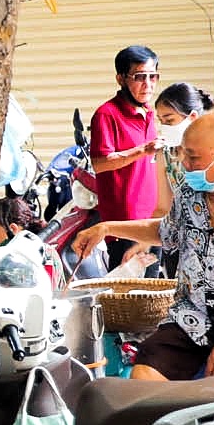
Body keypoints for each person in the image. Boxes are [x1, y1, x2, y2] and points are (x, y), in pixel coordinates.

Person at [74, 112, 214, 385]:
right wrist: (106, 228)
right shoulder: (189, 197)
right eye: (182, 155)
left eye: (192, 158)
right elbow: (165, 231)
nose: (184, 164)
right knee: (144, 373)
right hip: (193, 318)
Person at [89, 45, 163, 267]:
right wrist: (142, 150)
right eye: (140, 77)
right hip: (125, 225)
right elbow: (100, 164)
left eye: (153, 76)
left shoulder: (149, 112)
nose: (148, 84)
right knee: (128, 295)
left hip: (153, 221)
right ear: (120, 79)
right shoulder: (106, 114)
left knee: (151, 292)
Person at [153, 82, 214, 212]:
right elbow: (163, 208)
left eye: (169, 120)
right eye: (161, 121)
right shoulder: (165, 154)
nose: (164, 127)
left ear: (192, 117)